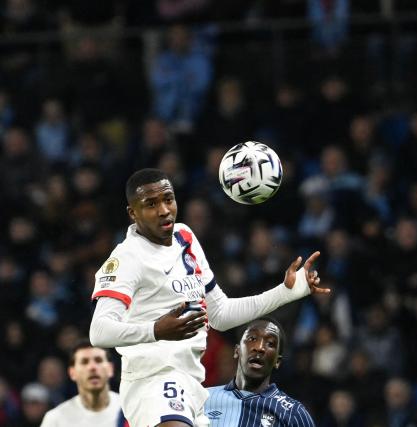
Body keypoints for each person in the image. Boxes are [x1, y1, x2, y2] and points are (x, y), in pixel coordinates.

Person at [89, 168, 327, 427]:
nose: (164, 210)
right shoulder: (127, 258)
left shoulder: (185, 237)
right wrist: (156, 330)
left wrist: (285, 292)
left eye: (168, 199)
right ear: (132, 214)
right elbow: (99, 332)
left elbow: (221, 314)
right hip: (153, 378)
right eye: (151, 204)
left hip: (192, 382)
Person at [204, 317, 315, 426]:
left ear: (277, 361)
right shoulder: (203, 399)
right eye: (252, 338)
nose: (259, 347)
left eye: (270, 343)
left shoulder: (293, 414)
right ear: (237, 350)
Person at [40, 340, 125, 426]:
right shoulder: (55, 419)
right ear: (72, 372)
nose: (92, 367)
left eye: (98, 360)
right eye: (84, 362)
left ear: (110, 369)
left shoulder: (128, 409)